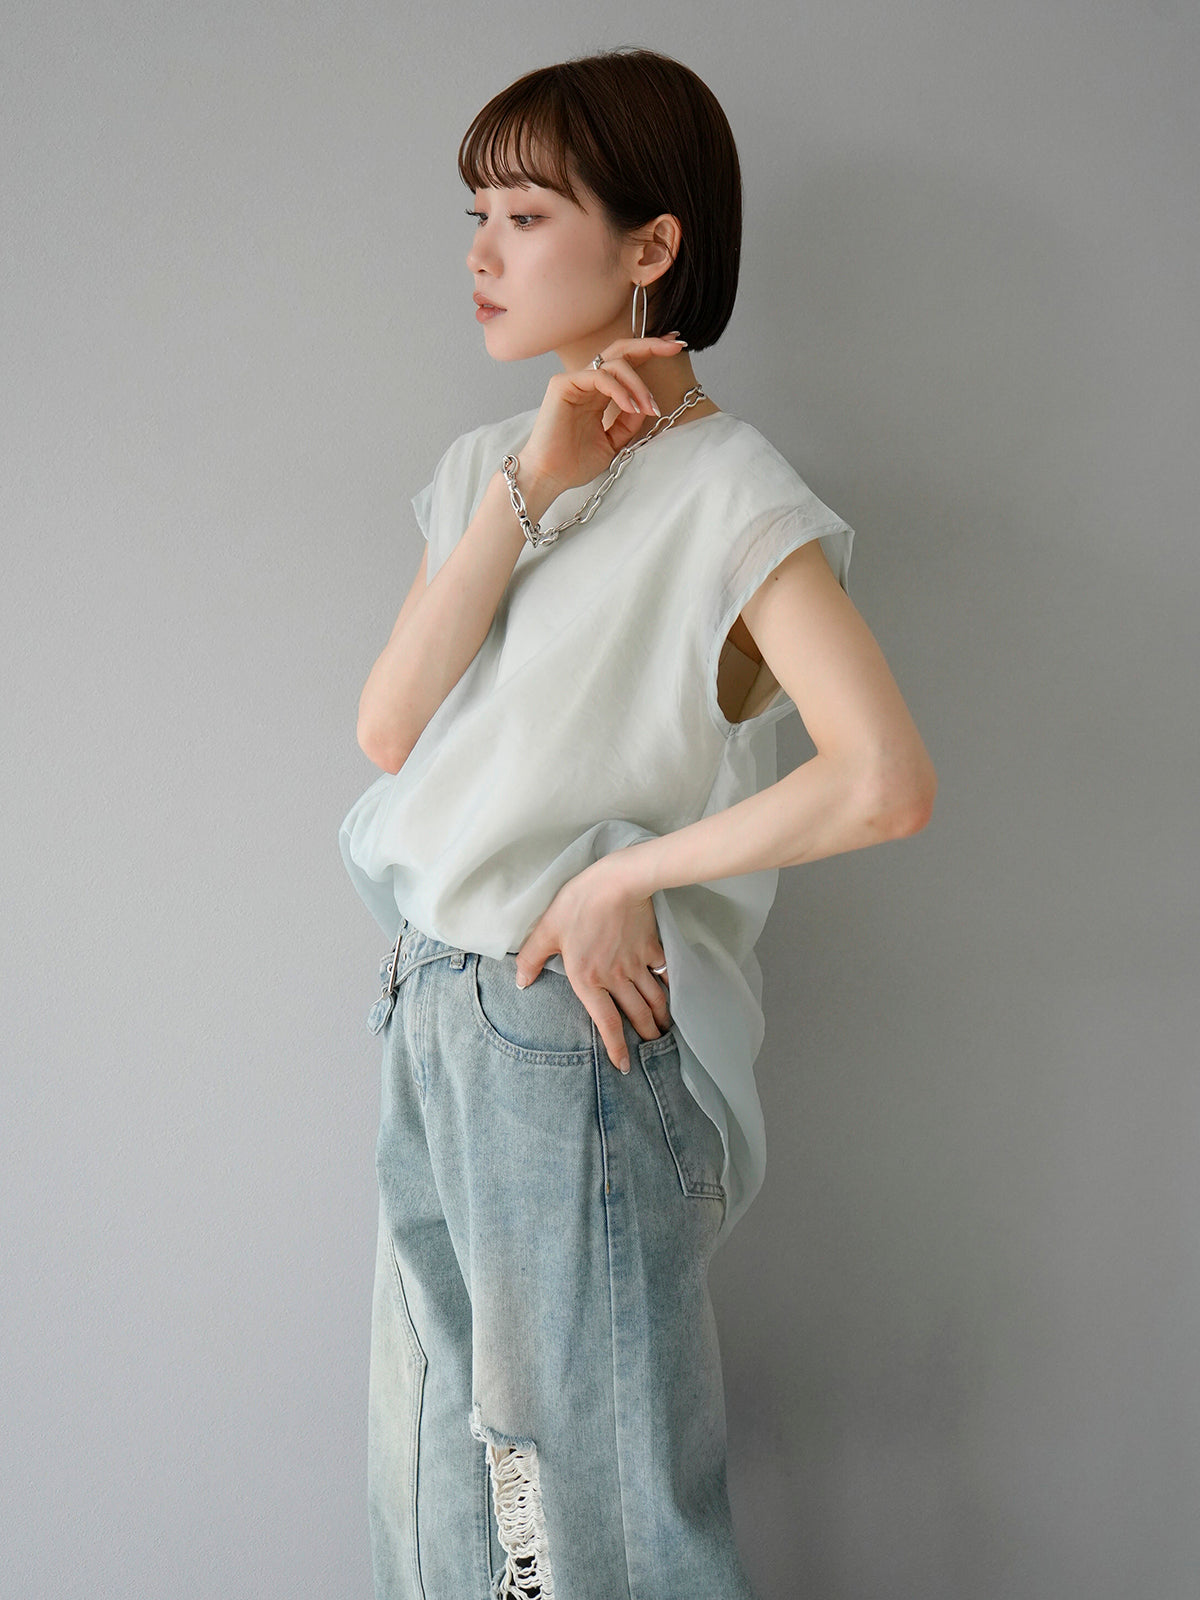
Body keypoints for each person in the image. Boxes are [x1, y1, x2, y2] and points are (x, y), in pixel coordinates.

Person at [339, 46, 936, 1600]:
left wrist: (628, 883)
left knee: (584, 1508)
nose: (483, 253)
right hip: (434, 1008)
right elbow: (390, 728)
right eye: (476, 214)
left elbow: (881, 777)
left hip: (569, 1040)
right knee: (451, 1494)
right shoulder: (486, 471)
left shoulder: (731, 488)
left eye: (527, 215)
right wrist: (528, 489)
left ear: (651, 245)